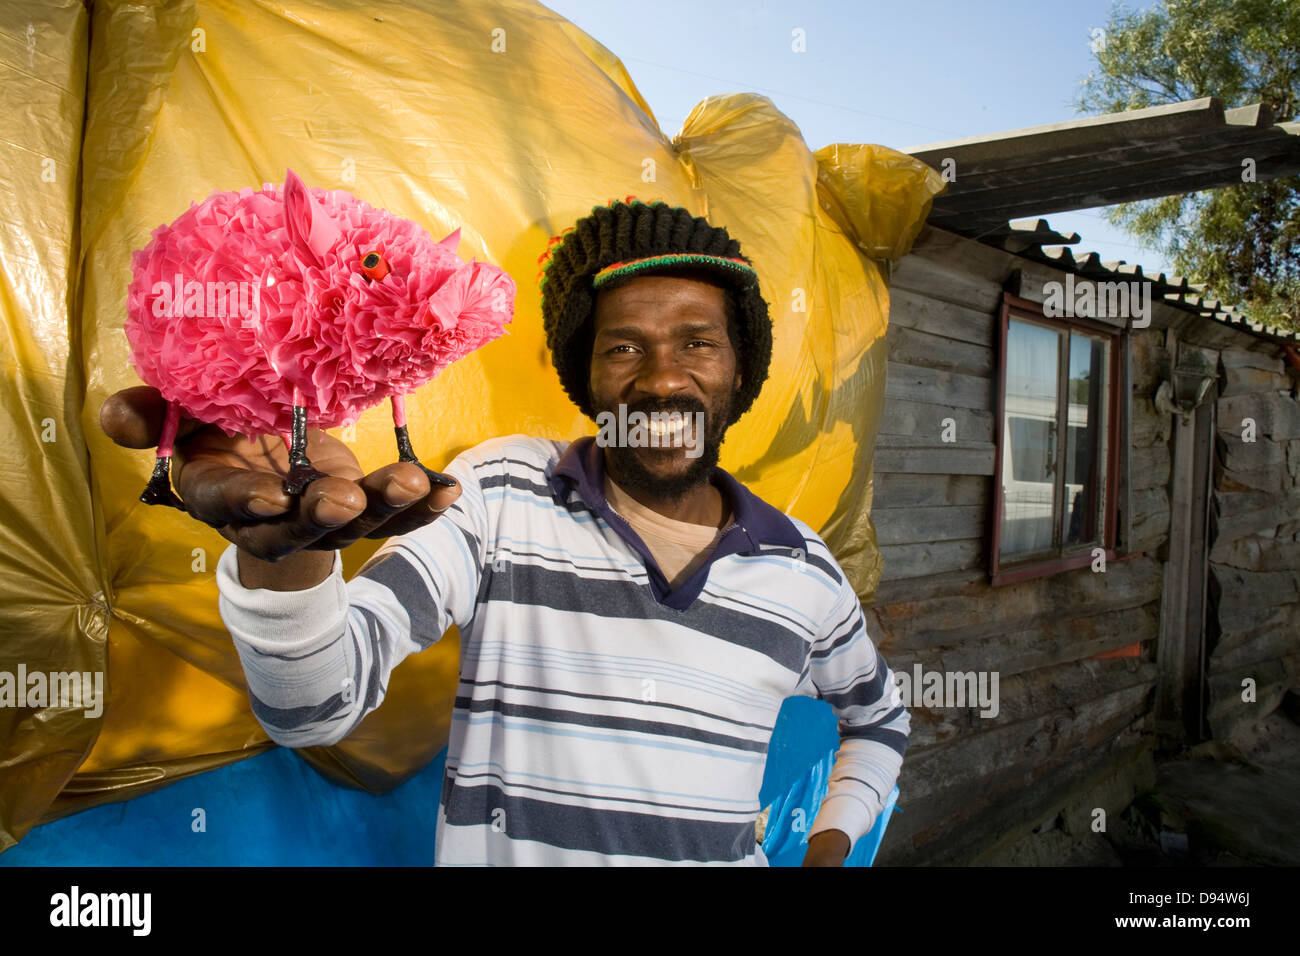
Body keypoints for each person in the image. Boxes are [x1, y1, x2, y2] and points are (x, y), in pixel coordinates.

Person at [100, 198, 909, 866]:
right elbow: (314, 710)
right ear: (586, 377)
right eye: (624, 347)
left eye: (698, 342)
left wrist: (831, 843)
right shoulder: (502, 492)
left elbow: (879, 720)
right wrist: (288, 563)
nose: (663, 378)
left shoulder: (802, 568)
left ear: (739, 372)